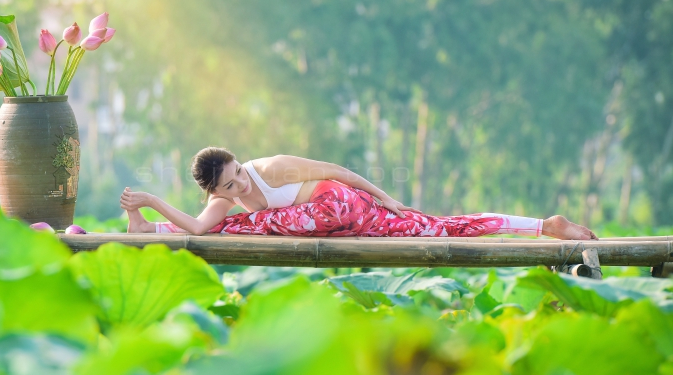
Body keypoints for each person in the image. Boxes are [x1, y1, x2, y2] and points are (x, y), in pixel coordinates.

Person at [119, 146, 598, 240]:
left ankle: (544, 226)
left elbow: (338, 171)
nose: (242, 184)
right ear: (216, 189)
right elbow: (202, 226)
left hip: (347, 205)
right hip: (350, 227)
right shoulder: (223, 203)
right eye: (231, 185)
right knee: (445, 228)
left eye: (240, 173)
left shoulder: (272, 168)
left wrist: (386, 197)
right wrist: (150, 204)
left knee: (249, 223)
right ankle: (546, 226)